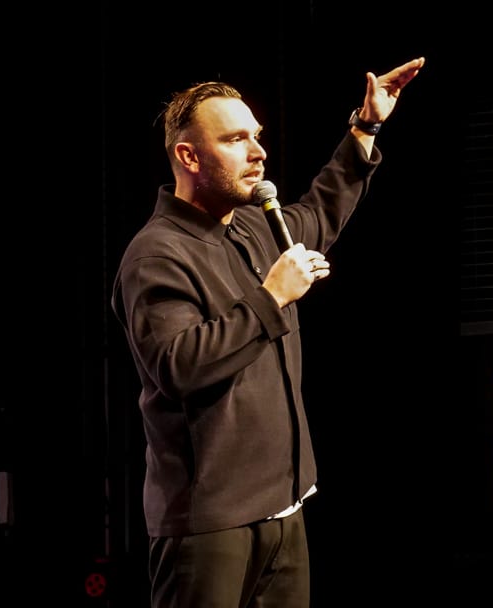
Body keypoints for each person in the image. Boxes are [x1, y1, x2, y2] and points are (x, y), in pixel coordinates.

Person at [111, 56, 425, 607]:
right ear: (189, 156)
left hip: (285, 508)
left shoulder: (253, 225)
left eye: (256, 136)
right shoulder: (156, 254)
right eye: (236, 140)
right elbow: (179, 367)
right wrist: (272, 296)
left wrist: (365, 127)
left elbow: (321, 210)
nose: (258, 152)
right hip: (211, 525)